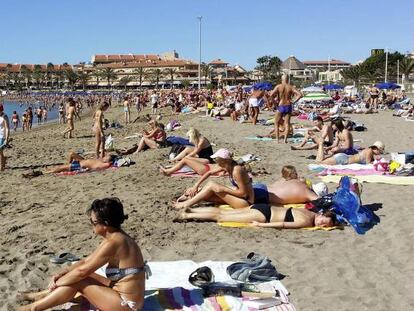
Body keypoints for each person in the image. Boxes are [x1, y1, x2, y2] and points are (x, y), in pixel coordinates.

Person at [18, 198, 146, 311]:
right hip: (119, 294)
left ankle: (33, 308)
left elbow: (81, 272)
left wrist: (58, 283)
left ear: (105, 224)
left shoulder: (113, 243)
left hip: (127, 305)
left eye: (93, 221)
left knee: (78, 280)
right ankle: (42, 295)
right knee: (76, 275)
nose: (91, 224)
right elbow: (85, 262)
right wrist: (62, 273)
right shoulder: (116, 237)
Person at [173, 148, 268, 210]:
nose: (217, 163)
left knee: (212, 185)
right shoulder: (228, 166)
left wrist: (223, 189)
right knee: (207, 193)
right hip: (240, 199)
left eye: (218, 161)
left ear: (225, 161)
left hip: (246, 203)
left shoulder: (237, 170)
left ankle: (187, 204)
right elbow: (209, 173)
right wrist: (196, 186)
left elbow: (243, 193)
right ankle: (191, 197)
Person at [175, 204, 335, 229]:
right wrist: (262, 225)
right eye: (324, 221)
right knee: (221, 217)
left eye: (325, 225)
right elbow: (283, 225)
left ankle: (192, 211)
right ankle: (186, 215)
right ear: (321, 215)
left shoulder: (310, 211)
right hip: (263, 215)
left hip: (263, 207)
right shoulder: (306, 221)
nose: (322, 224)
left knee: (224, 212)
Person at [269, 75, 303, 143]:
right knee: (287, 123)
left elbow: (271, 95)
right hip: (288, 105)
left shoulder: (279, 86)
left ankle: (277, 140)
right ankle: (285, 140)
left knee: (276, 123)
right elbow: (300, 94)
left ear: (281, 79)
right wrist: (293, 101)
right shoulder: (290, 87)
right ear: (287, 79)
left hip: (281, 105)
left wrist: (275, 103)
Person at [317, 141, 385, 165]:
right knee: (320, 162)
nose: (379, 153)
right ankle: (320, 144)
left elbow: (371, 161)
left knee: (321, 161)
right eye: (380, 151)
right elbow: (369, 164)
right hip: (343, 160)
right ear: (376, 148)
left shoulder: (369, 151)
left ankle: (320, 145)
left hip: (344, 158)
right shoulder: (369, 151)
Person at [44, 152, 116, 174]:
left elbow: (96, 168)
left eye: (107, 157)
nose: (105, 156)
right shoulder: (102, 160)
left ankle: (48, 172)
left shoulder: (105, 164)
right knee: (71, 153)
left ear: (109, 161)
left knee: (60, 168)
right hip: (83, 161)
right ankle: (66, 165)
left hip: (80, 166)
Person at [0, 104, 10, 171]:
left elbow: (7, 128)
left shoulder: (5, 116)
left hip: (3, 136)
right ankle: (4, 160)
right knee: (0, 152)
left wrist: (6, 139)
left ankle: (1, 167)